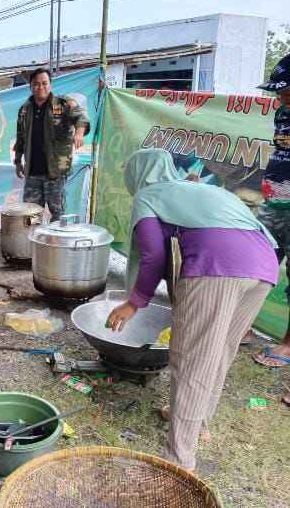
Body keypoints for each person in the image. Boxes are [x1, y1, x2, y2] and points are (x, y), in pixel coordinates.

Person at [105, 149, 277, 472]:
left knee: (192, 359)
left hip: (218, 265)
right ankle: (199, 423)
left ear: (138, 175)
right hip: (264, 266)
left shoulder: (149, 194)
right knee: (219, 352)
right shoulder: (197, 188)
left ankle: (179, 461)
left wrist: (134, 302)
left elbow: (154, 255)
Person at [252, 54, 290, 404]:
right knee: (257, 262)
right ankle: (243, 321)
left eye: (285, 91)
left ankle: (288, 344)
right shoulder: (281, 111)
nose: (280, 98)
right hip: (274, 199)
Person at [13, 68, 90, 220]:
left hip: (56, 171)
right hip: (33, 171)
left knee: (58, 213)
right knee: (30, 215)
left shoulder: (63, 104)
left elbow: (81, 118)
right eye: (36, 84)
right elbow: (20, 138)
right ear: (30, 86)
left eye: (44, 83)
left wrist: (79, 133)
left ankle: (53, 243)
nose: (40, 87)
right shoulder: (24, 110)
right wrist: (17, 162)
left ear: (50, 85)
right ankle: (33, 243)